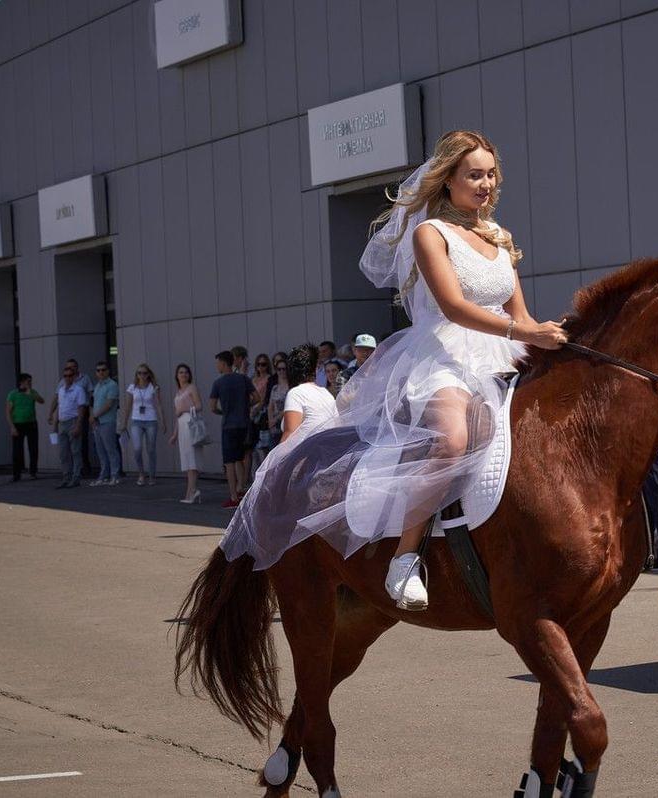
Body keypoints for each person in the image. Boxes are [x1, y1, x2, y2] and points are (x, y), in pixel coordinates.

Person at [219, 130, 568, 612]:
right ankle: (405, 558)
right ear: (447, 181)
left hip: (503, 355)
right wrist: (523, 333)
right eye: (474, 175)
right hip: (442, 356)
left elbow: (523, 316)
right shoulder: (431, 233)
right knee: (451, 440)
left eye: (491, 174)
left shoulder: (500, 238)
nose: (485, 183)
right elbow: (454, 306)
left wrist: (552, 335)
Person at [209, 350, 258, 508]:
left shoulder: (218, 383)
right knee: (241, 458)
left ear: (223, 363)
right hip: (244, 423)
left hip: (228, 425)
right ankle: (241, 489)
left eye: (218, 363)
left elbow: (212, 407)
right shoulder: (243, 379)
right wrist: (245, 407)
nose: (217, 366)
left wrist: (223, 411)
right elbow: (257, 398)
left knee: (229, 461)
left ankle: (233, 496)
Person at [119, 364, 167, 486]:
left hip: (151, 420)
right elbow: (128, 406)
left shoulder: (153, 387)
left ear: (149, 374)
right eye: (139, 373)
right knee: (137, 448)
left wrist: (163, 422)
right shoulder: (132, 387)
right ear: (136, 375)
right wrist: (124, 423)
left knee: (151, 449)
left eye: (145, 373)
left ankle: (152, 475)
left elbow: (159, 405)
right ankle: (141, 473)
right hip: (136, 421)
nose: (142, 375)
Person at [280, 344, 338, 443]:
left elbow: (290, 434)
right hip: (327, 453)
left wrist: (276, 457)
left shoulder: (296, 394)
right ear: (315, 368)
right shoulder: (326, 394)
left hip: (306, 455)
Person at [168, 363, 204, 504]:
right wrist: (174, 434)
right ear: (177, 376)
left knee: (192, 458)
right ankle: (191, 491)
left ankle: (192, 491)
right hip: (182, 425)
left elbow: (199, 405)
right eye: (181, 372)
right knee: (187, 459)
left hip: (190, 423)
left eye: (186, 372)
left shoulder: (191, 388)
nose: (183, 374)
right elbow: (177, 416)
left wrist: (185, 409)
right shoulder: (178, 392)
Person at [49, 363, 88, 488]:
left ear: (74, 377)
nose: (67, 378)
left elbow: (81, 408)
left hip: (73, 421)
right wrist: (55, 424)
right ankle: (66, 477)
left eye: (70, 375)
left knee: (75, 451)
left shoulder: (78, 390)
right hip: (62, 422)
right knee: (63, 453)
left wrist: (78, 425)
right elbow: (60, 408)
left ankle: (76, 478)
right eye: (65, 376)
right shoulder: (61, 390)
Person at [6, 373, 44, 482]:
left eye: (31, 381)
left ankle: (33, 472)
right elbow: (8, 412)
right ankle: (16, 474)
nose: (30, 383)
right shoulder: (13, 394)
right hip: (18, 424)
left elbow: (41, 401)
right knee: (17, 450)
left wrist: (31, 393)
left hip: (31, 423)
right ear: (21, 382)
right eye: (28, 381)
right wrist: (12, 427)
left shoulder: (32, 392)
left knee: (33, 448)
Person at [89, 361, 122, 485]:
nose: (101, 372)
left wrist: (95, 416)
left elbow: (109, 405)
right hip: (97, 423)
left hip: (107, 421)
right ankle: (104, 475)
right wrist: (92, 417)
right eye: (98, 370)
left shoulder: (112, 385)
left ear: (108, 371)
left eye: (103, 370)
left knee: (110, 449)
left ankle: (115, 475)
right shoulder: (97, 386)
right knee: (100, 450)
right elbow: (93, 403)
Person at [248, 353, 272, 472]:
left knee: (263, 445)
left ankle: (265, 471)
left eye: (263, 364)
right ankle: (255, 474)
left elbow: (265, 397)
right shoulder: (253, 379)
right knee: (254, 445)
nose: (261, 367)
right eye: (258, 364)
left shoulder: (269, 378)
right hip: (252, 412)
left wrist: (257, 408)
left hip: (262, 412)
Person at [265, 353, 291, 451]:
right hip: (274, 426)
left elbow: (289, 406)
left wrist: (275, 419)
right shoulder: (275, 388)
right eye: (279, 369)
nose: (281, 371)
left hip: (286, 423)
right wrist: (270, 420)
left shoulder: (291, 387)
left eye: (284, 369)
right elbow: (270, 406)